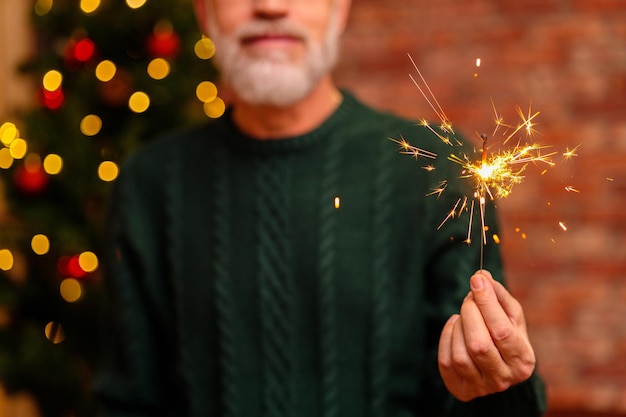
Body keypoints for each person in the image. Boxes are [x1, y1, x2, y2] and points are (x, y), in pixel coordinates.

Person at [93, 0, 547, 416]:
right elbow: (127, 400)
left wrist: (502, 388)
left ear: (341, 8)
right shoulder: (149, 184)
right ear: (204, 12)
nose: (270, 6)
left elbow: (480, 385)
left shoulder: (437, 169)